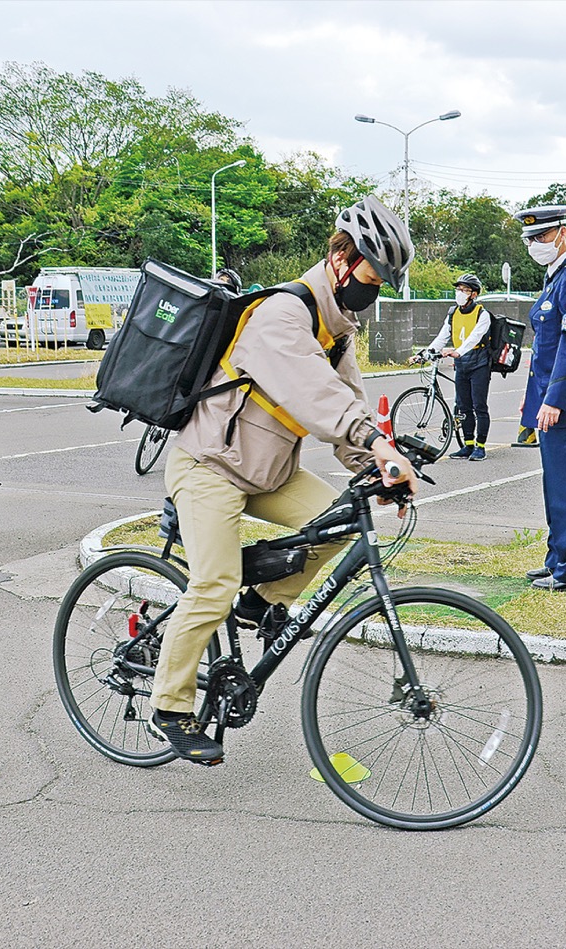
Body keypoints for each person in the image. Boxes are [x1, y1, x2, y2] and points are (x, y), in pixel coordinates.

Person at [148, 194, 419, 764]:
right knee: (213, 584)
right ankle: (170, 706)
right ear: (341, 261)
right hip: (209, 467)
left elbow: (348, 406)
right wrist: (375, 443)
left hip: (269, 473)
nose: (372, 296)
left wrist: (374, 465)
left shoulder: (337, 329)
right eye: (371, 279)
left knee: (341, 522)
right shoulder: (283, 315)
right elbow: (310, 393)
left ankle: (263, 600)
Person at [512, 204, 566, 592]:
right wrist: (534, 400)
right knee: (555, 487)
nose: (535, 244)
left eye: (541, 237)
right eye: (530, 239)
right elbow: (542, 352)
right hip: (548, 404)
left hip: (565, 406)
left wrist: (554, 400)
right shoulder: (554, 280)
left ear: (561, 232)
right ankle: (557, 558)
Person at [414, 272, 493, 460]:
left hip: (479, 363)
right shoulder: (453, 313)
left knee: (479, 405)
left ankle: (480, 446)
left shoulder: (482, 314)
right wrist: (424, 354)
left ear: (474, 294)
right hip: (461, 365)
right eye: (459, 289)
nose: (460, 293)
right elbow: (442, 337)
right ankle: (468, 445)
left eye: (465, 290)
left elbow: (474, 337)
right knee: (463, 406)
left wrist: (458, 351)